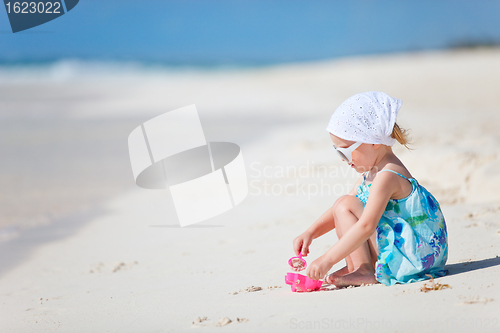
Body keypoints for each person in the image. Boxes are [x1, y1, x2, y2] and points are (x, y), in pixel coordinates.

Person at [293, 91, 448, 287]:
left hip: (416, 257)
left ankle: (365, 269)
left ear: (374, 141)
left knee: (347, 204)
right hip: (413, 251)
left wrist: (327, 259)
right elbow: (338, 211)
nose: (343, 159)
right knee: (343, 203)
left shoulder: (387, 176)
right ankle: (356, 267)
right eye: (338, 152)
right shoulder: (373, 172)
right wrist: (310, 233)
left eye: (345, 151)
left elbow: (366, 226)